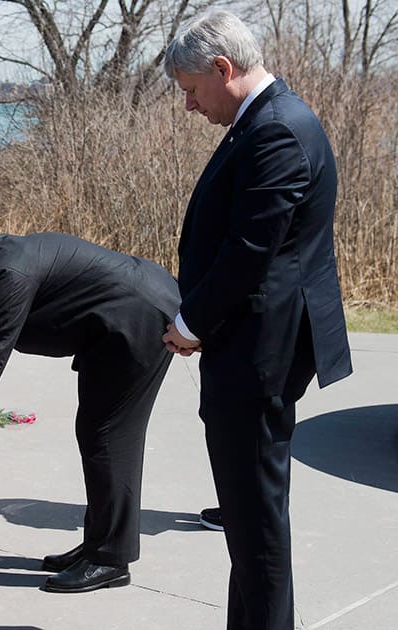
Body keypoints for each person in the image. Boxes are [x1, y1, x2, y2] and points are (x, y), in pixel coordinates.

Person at [161, 11, 352, 629]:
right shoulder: (267, 120)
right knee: (248, 524)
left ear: (223, 69)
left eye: (192, 89)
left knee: (258, 529)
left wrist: (191, 324)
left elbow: (251, 251)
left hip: (257, 356)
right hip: (253, 349)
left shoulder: (276, 130)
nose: (189, 106)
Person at [0, 233, 180, 593]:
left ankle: (110, 560)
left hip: (137, 322)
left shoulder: (6, 279)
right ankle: (99, 545)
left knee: (110, 438)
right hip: (112, 330)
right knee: (95, 434)